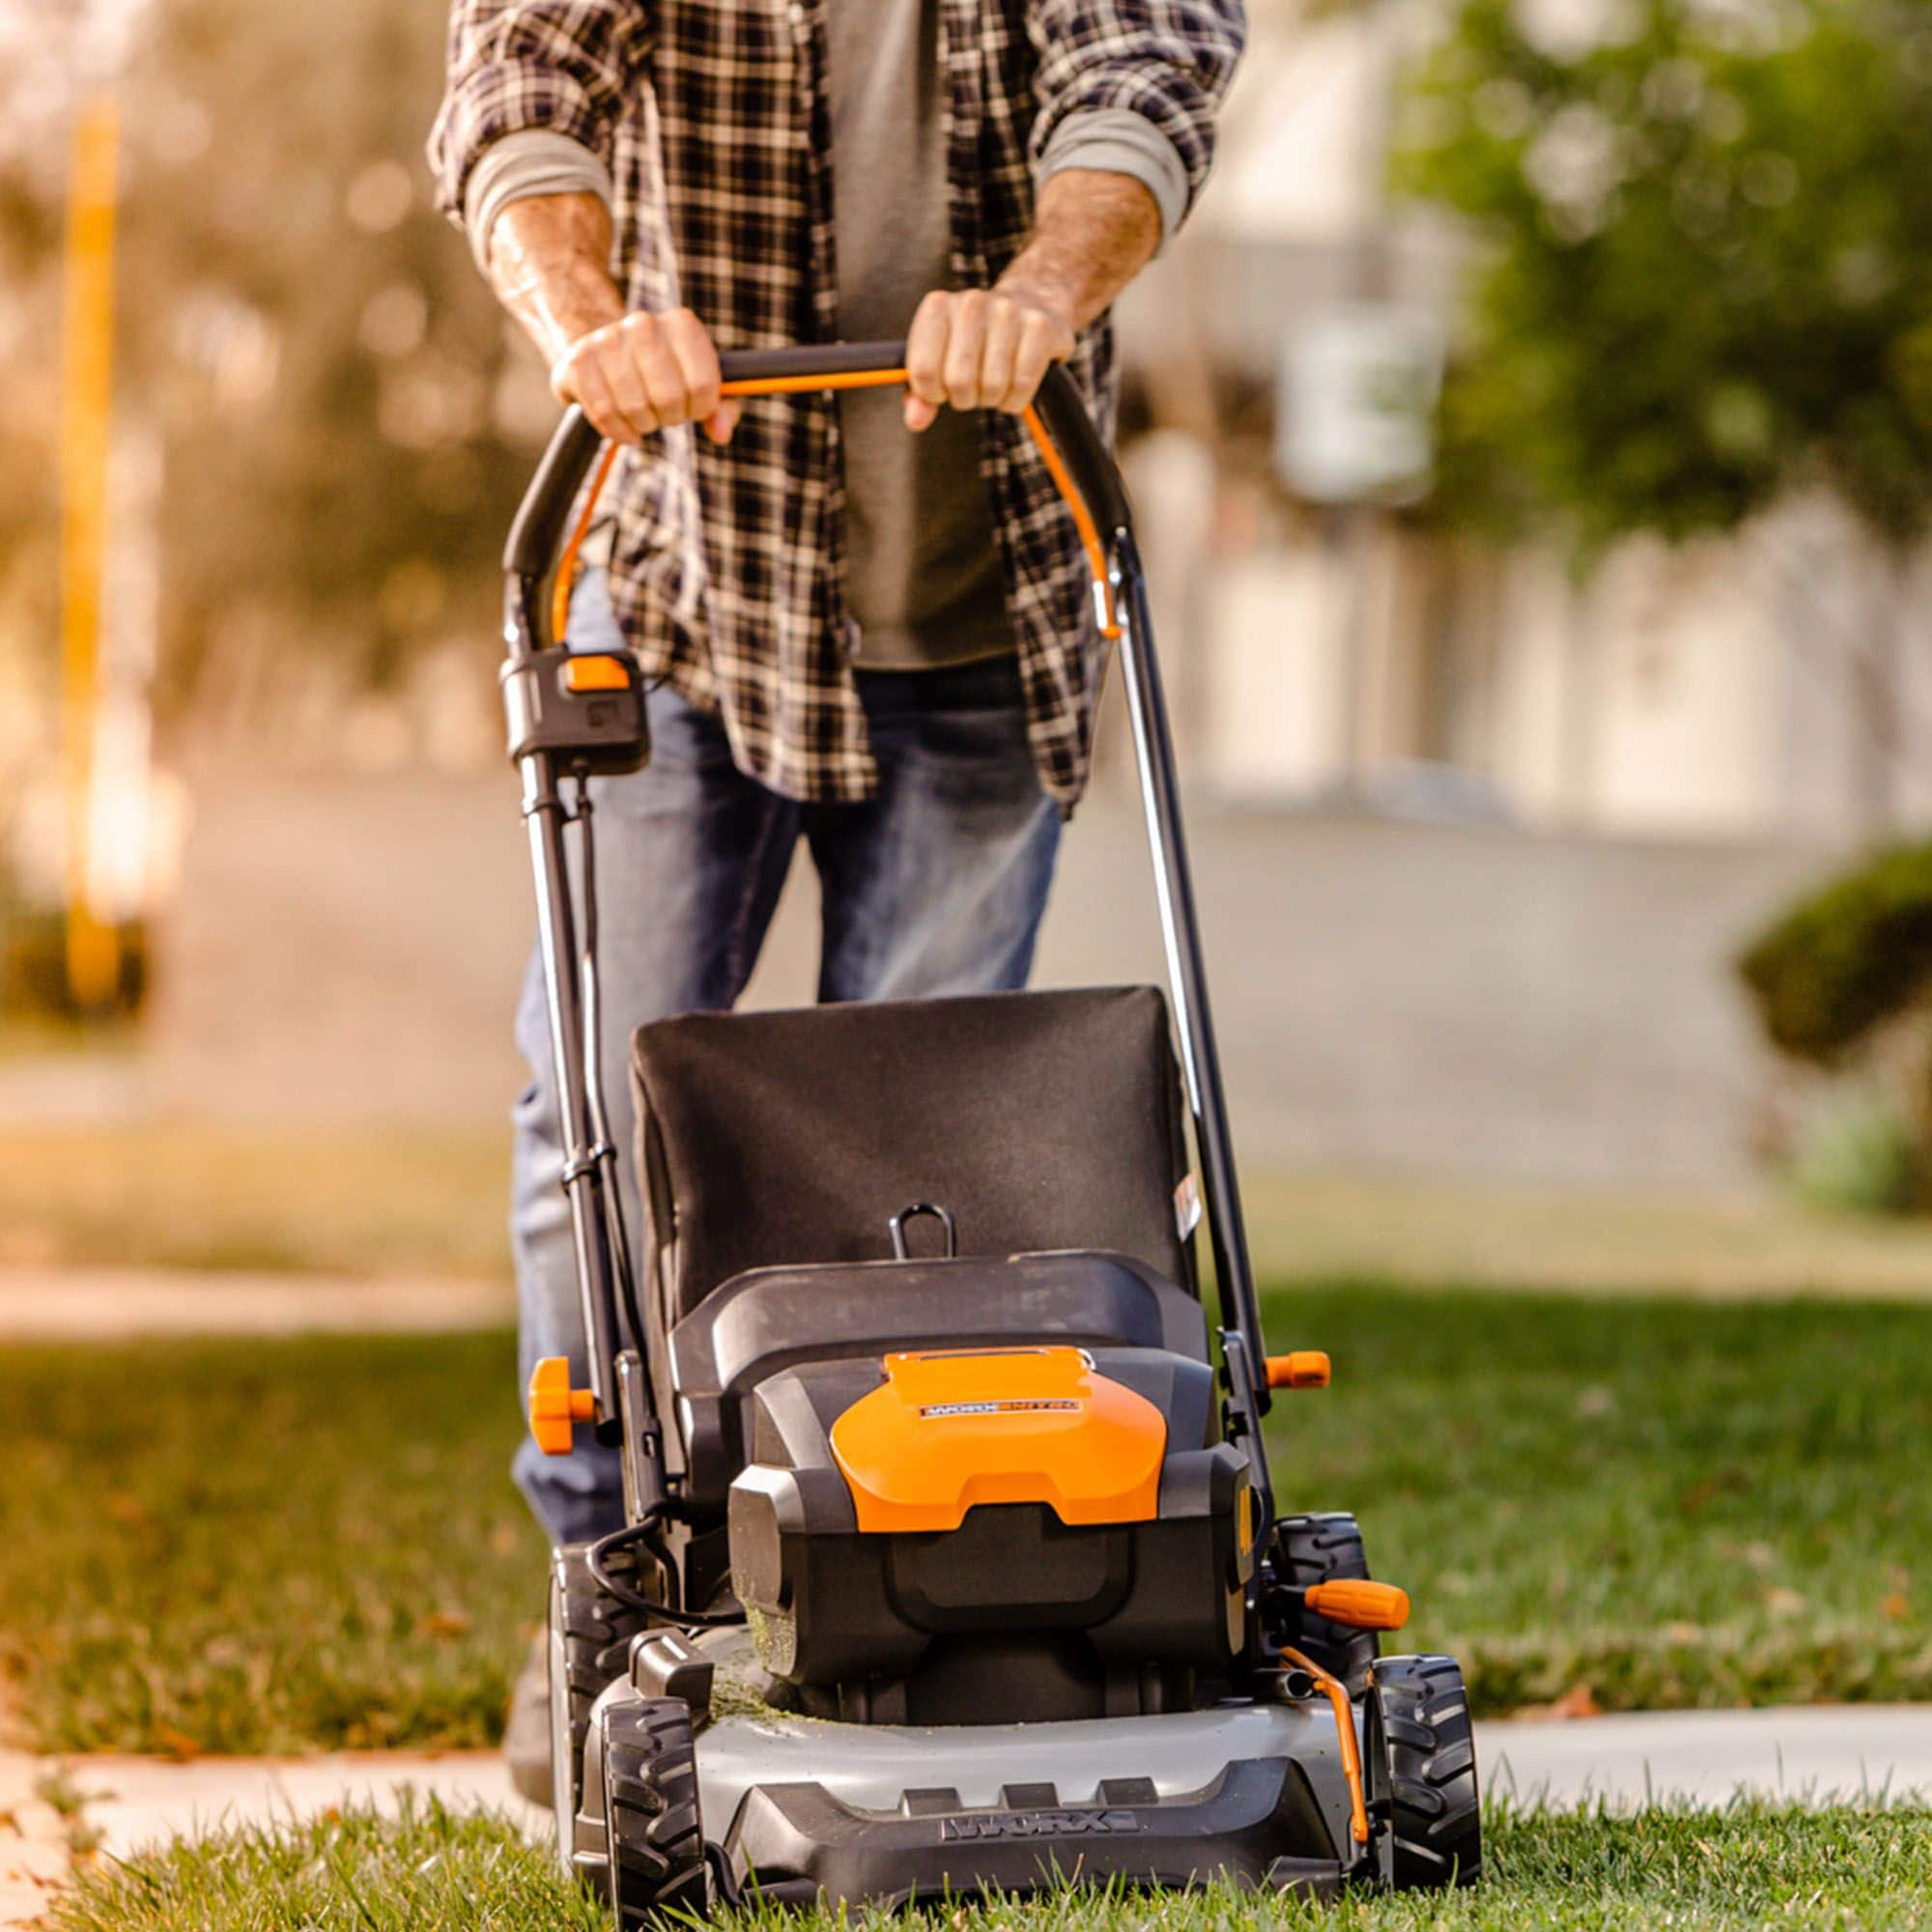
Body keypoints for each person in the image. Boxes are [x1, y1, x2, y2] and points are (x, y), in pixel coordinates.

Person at [430, 0, 1242, 1779]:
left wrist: (1037, 293)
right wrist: (591, 324)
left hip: (984, 600)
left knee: (915, 1169)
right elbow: (513, 83)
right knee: (592, 1106)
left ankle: (898, 1587)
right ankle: (607, 1584)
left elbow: (1146, 73)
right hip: (679, 585)